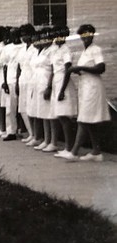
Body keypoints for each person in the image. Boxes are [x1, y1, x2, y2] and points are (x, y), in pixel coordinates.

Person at [65, 24, 110, 162]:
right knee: (89, 120)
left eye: (88, 34)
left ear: (92, 35)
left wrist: (81, 67)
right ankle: (96, 152)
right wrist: (78, 70)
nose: (85, 37)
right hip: (86, 86)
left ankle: (74, 152)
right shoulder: (85, 51)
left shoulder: (96, 49)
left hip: (93, 87)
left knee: (84, 119)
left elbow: (101, 67)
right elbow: (89, 68)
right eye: (83, 35)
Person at [51, 26, 78, 158]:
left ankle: (69, 147)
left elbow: (68, 69)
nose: (57, 37)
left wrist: (62, 90)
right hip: (57, 81)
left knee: (64, 115)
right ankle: (68, 147)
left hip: (64, 83)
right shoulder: (57, 50)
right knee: (61, 116)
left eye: (59, 35)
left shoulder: (66, 50)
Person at [0, 28, 25, 141]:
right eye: (11, 35)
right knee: (10, 108)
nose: (13, 37)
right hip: (10, 80)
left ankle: (27, 131)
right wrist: (4, 81)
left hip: (23, 79)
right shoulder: (7, 48)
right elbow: (4, 66)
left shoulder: (25, 47)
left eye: (16, 34)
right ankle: (11, 131)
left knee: (24, 108)